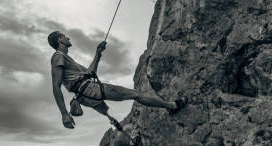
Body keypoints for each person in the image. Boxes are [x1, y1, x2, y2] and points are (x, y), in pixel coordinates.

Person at [49, 31, 187, 129]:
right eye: (64, 36)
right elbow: (56, 86)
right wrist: (64, 113)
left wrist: (97, 54)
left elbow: (90, 72)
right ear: (60, 40)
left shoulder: (69, 61)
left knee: (123, 101)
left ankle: (110, 116)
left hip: (85, 94)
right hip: (89, 90)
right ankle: (172, 106)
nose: (67, 38)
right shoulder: (58, 56)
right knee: (135, 94)